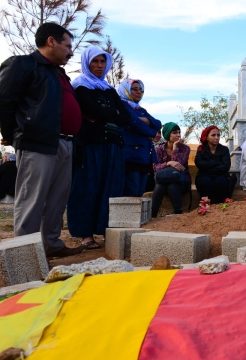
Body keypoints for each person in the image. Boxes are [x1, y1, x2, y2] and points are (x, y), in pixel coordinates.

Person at [0, 23, 84, 258]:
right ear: (51, 42)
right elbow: (5, 102)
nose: (70, 52)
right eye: (67, 46)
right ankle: (25, 254)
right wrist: (17, 135)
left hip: (66, 144)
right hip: (37, 143)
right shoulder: (23, 64)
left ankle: (51, 244)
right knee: (32, 200)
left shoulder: (59, 74)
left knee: (57, 200)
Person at [67, 46, 131, 249]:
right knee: (88, 187)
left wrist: (101, 113)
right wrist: (107, 112)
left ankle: (105, 231)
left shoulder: (109, 89)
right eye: (95, 61)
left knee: (111, 189)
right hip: (91, 145)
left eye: (103, 62)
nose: (99, 66)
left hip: (113, 146)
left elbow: (126, 117)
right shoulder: (80, 86)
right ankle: (85, 235)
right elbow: (89, 109)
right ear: (87, 62)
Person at [118, 79, 162, 197]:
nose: (139, 92)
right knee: (131, 192)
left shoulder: (140, 110)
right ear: (126, 90)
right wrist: (150, 129)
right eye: (135, 89)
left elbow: (158, 123)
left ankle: (136, 216)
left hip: (144, 158)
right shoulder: (122, 105)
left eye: (141, 90)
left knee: (140, 194)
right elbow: (134, 123)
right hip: (130, 157)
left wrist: (147, 121)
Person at [152, 122, 191, 216]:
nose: (178, 135)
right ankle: (153, 214)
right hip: (164, 180)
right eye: (174, 133)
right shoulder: (158, 149)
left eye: (179, 132)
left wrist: (175, 148)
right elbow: (155, 167)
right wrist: (168, 163)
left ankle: (178, 213)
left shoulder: (185, 148)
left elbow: (179, 165)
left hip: (181, 181)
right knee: (161, 184)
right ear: (167, 134)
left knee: (172, 185)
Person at [194, 126, 233, 204]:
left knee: (220, 182)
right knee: (205, 182)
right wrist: (217, 163)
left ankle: (220, 206)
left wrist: (207, 168)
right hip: (203, 175)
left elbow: (226, 166)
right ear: (207, 137)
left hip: (220, 175)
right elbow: (199, 163)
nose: (216, 137)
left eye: (218, 135)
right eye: (213, 135)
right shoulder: (201, 149)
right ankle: (205, 205)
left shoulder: (224, 149)